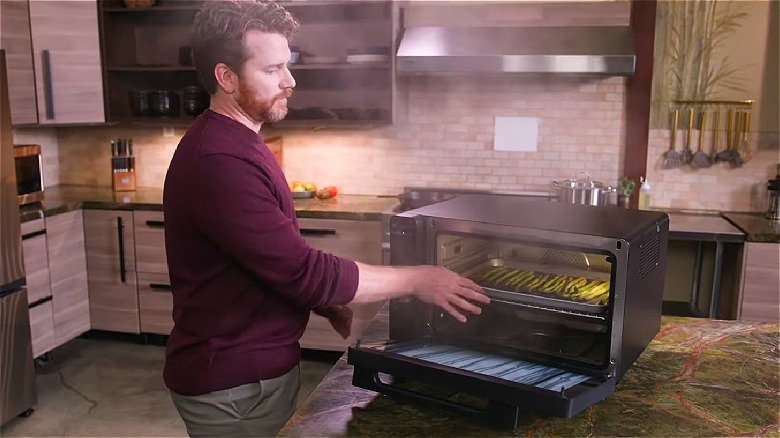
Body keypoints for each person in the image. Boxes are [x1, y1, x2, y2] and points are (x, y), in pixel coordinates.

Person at [162, 1, 490, 437]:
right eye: (272, 69)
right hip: (233, 385)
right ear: (226, 77)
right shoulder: (219, 159)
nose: (290, 81)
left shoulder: (239, 141)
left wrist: (318, 299)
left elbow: (268, 258)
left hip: (248, 378)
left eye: (288, 66)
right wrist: (417, 279)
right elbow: (302, 270)